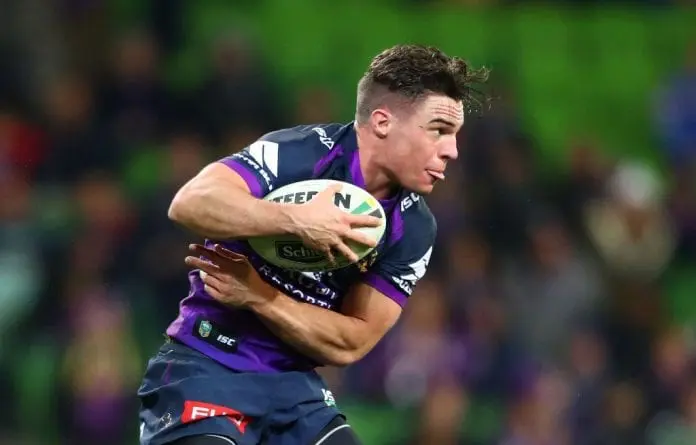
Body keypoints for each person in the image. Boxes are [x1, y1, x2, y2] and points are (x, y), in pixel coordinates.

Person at [138, 44, 488, 445]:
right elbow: (190, 202)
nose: (452, 150)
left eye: (455, 135)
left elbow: (351, 342)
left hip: (295, 388)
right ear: (382, 122)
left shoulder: (415, 227)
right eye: (439, 130)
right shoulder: (299, 153)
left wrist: (260, 295)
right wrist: (296, 221)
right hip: (206, 364)